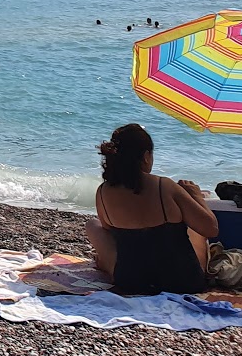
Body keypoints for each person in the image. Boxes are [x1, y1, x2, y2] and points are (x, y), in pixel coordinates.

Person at [84, 123, 217, 295]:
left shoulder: (103, 191)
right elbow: (211, 229)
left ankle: (104, 264)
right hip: (183, 282)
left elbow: (109, 231)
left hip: (132, 281)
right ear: (146, 156)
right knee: (195, 228)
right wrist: (196, 196)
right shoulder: (164, 186)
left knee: (93, 225)